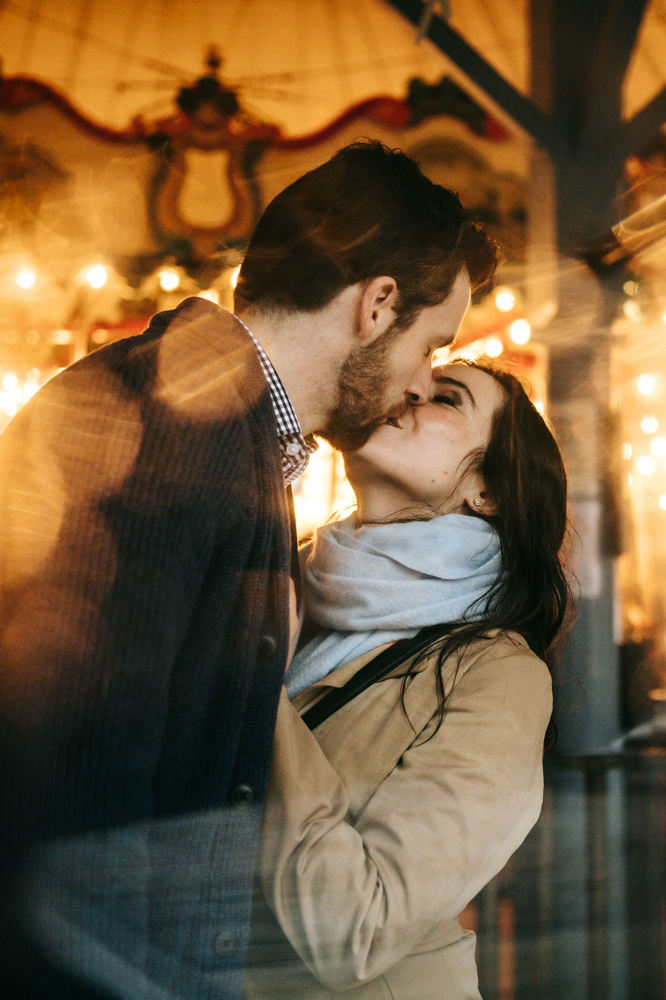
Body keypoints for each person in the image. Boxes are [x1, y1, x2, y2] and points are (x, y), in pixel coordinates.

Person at [0, 142, 496, 1000]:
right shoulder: (168, 428)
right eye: (432, 343)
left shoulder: (221, 433)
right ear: (378, 305)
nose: (421, 383)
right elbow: (79, 786)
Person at [243, 359, 569, 1000]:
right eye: (416, 379)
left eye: (447, 399)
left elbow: (356, 931)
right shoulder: (281, 578)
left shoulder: (498, 674)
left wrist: (254, 667)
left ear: (487, 488)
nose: (411, 389)